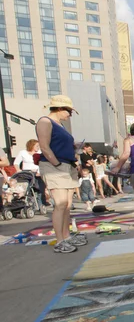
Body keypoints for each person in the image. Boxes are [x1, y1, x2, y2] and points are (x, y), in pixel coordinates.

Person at [37, 95, 86, 253]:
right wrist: (56, 164)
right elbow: (44, 147)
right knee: (60, 204)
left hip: (67, 164)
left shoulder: (60, 125)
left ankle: (66, 236)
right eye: (69, 111)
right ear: (59, 108)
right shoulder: (45, 121)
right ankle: (60, 241)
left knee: (66, 205)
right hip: (55, 165)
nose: (70, 115)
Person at [13, 139, 50, 207]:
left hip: (38, 173)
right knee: (28, 188)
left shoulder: (40, 153)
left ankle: (41, 204)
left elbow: (43, 163)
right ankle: (29, 203)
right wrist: (18, 170)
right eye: (37, 146)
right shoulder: (23, 152)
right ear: (31, 145)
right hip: (27, 173)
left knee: (40, 188)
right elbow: (16, 163)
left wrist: (39, 171)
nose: (38, 147)